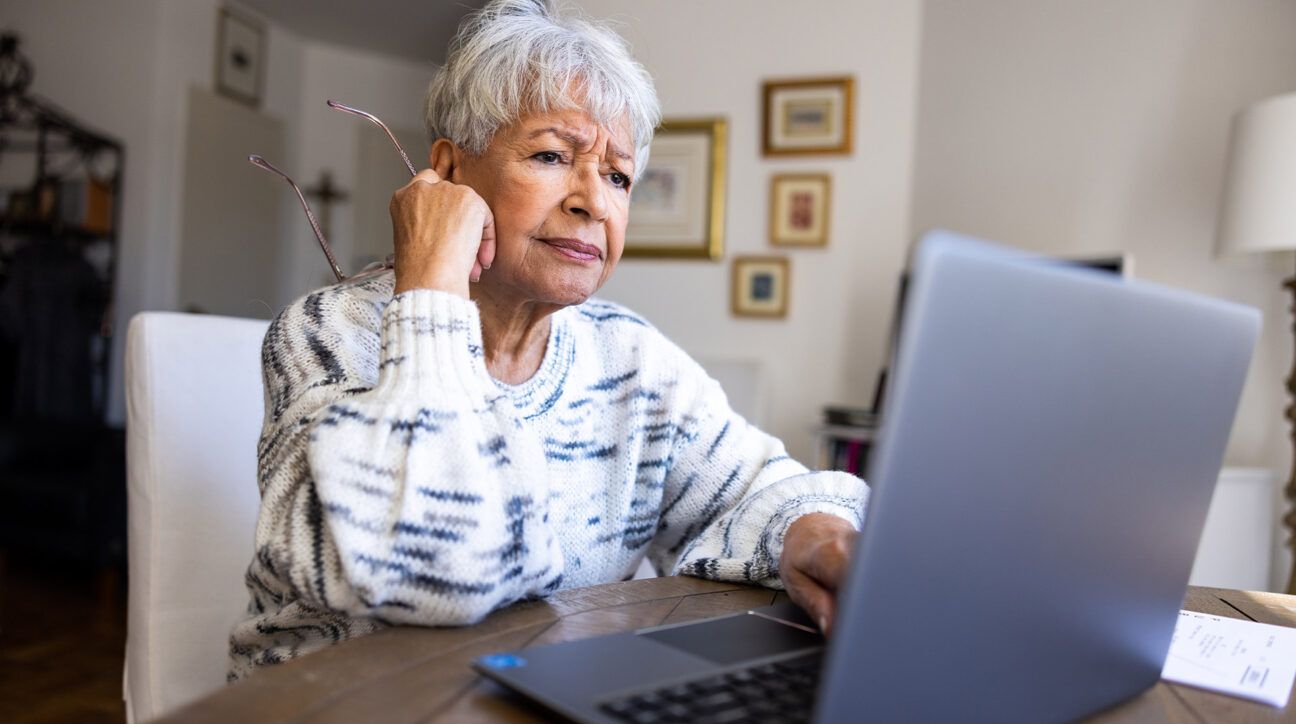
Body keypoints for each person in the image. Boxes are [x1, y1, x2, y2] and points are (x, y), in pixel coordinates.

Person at [228, 0, 867, 681]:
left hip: (530, 697)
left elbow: (757, 487)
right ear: (445, 173)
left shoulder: (630, 360)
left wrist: (813, 529)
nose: (594, 200)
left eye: (618, 175)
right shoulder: (329, 335)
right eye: (552, 155)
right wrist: (433, 292)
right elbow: (437, 567)